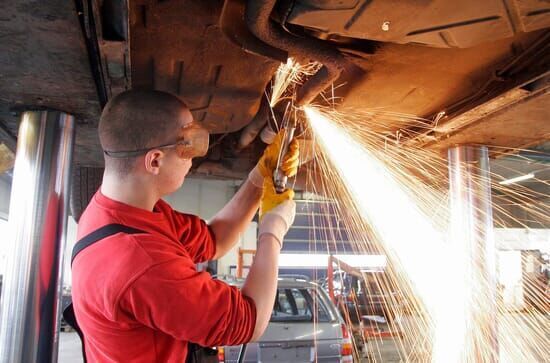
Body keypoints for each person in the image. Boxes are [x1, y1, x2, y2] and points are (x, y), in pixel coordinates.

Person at [71, 90, 299, 362]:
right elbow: (250, 321)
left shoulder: (120, 212)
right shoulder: (142, 262)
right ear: (155, 160)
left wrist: (260, 176)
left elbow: (215, 240)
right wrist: (273, 229)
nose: (193, 158)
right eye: (188, 145)